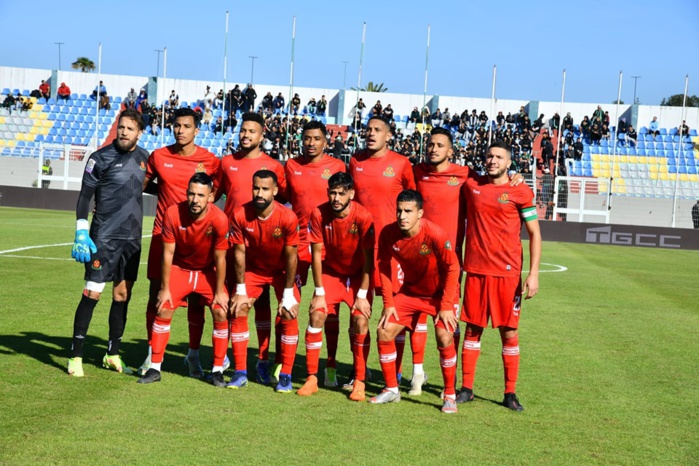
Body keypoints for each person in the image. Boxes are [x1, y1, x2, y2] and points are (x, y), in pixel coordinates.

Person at [457, 140, 542, 411]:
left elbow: (535, 234)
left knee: (509, 332)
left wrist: (533, 274)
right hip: (477, 273)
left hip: (507, 275)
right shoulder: (471, 185)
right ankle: (467, 388)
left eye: (499, 157)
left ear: (508, 163)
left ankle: (509, 393)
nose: (492, 160)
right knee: (472, 330)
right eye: (489, 156)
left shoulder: (520, 191)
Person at [138, 107, 222, 378]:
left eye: (186, 126)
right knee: (157, 295)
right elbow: (141, 184)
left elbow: (215, 192)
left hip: (197, 239)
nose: (180, 130)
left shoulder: (209, 160)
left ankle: (193, 355)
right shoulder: (160, 156)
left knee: (198, 300)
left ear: (196, 130)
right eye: (176, 125)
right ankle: (152, 353)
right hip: (163, 236)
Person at [67, 109, 148, 377]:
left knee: (122, 295)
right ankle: (75, 356)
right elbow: (83, 197)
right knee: (92, 293)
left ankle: (112, 354)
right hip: (103, 237)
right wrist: (81, 230)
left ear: (140, 132)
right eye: (121, 127)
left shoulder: (145, 159)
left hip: (132, 239)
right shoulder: (99, 158)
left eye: (129, 129)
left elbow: (157, 185)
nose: (123, 132)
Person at [369, 189, 460, 414]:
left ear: (420, 213)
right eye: (399, 210)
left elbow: (453, 267)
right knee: (384, 331)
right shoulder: (389, 233)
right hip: (411, 293)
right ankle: (391, 389)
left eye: (408, 211)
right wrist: (388, 303)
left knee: (444, 335)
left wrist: (447, 305)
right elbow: (383, 266)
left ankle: (449, 395)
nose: (402, 216)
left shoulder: (435, 234)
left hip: (440, 295)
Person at [137, 173, 230, 386]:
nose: (195, 199)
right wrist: (164, 288)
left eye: (200, 195)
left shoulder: (219, 219)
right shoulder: (172, 213)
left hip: (207, 270)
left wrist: (219, 291)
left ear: (211, 197)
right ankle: (155, 367)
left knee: (220, 310)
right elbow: (167, 253)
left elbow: (220, 258)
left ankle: (216, 370)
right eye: (191, 194)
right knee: (164, 307)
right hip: (181, 269)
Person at [216, 112, 287, 383]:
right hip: (236, 244)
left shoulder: (273, 166)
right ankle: (230, 358)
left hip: (268, 246)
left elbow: (285, 199)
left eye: (251, 132)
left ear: (262, 135)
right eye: (243, 131)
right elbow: (216, 194)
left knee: (267, 304)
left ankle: (265, 360)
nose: (245, 135)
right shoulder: (226, 162)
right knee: (235, 302)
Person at [349, 115, 416, 386]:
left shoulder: (401, 164)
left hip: (393, 251)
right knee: (359, 314)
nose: (371, 133)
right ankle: (359, 375)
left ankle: (396, 373)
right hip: (360, 249)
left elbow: (413, 201)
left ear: (389, 135)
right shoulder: (355, 161)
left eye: (378, 130)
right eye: (368, 129)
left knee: (393, 313)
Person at [297, 172, 374, 400]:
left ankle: (359, 380)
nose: (336, 198)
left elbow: (369, 260)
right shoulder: (319, 213)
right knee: (317, 315)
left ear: (351, 193)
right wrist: (319, 292)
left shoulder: (363, 216)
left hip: (359, 276)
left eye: (342, 193)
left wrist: (362, 295)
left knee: (360, 319)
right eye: (333, 192)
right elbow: (316, 254)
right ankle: (312, 378)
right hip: (330, 273)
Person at [284, 121, 347, 386]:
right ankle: (285, 367)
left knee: (328, 309)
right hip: (297, 245)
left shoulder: (338, 167)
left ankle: (330, 365)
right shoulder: (291, 166)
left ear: (326, 141)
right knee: (289, 304)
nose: (311, 143)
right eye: (307, 138)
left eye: (316, 138)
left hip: (327, 245)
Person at [227, 170, 300, 392]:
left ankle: (285, 374)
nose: (260, 193)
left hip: (281, 272)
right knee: (238, 308)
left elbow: (291, 257)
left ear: (275, 191)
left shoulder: (287, 217)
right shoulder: (240, 215)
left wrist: (288, 294)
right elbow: (239, 253)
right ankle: (241, 372)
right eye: (256, 188)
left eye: (265, 189)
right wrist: (240, 290)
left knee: (289, 312)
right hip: (254, 271)